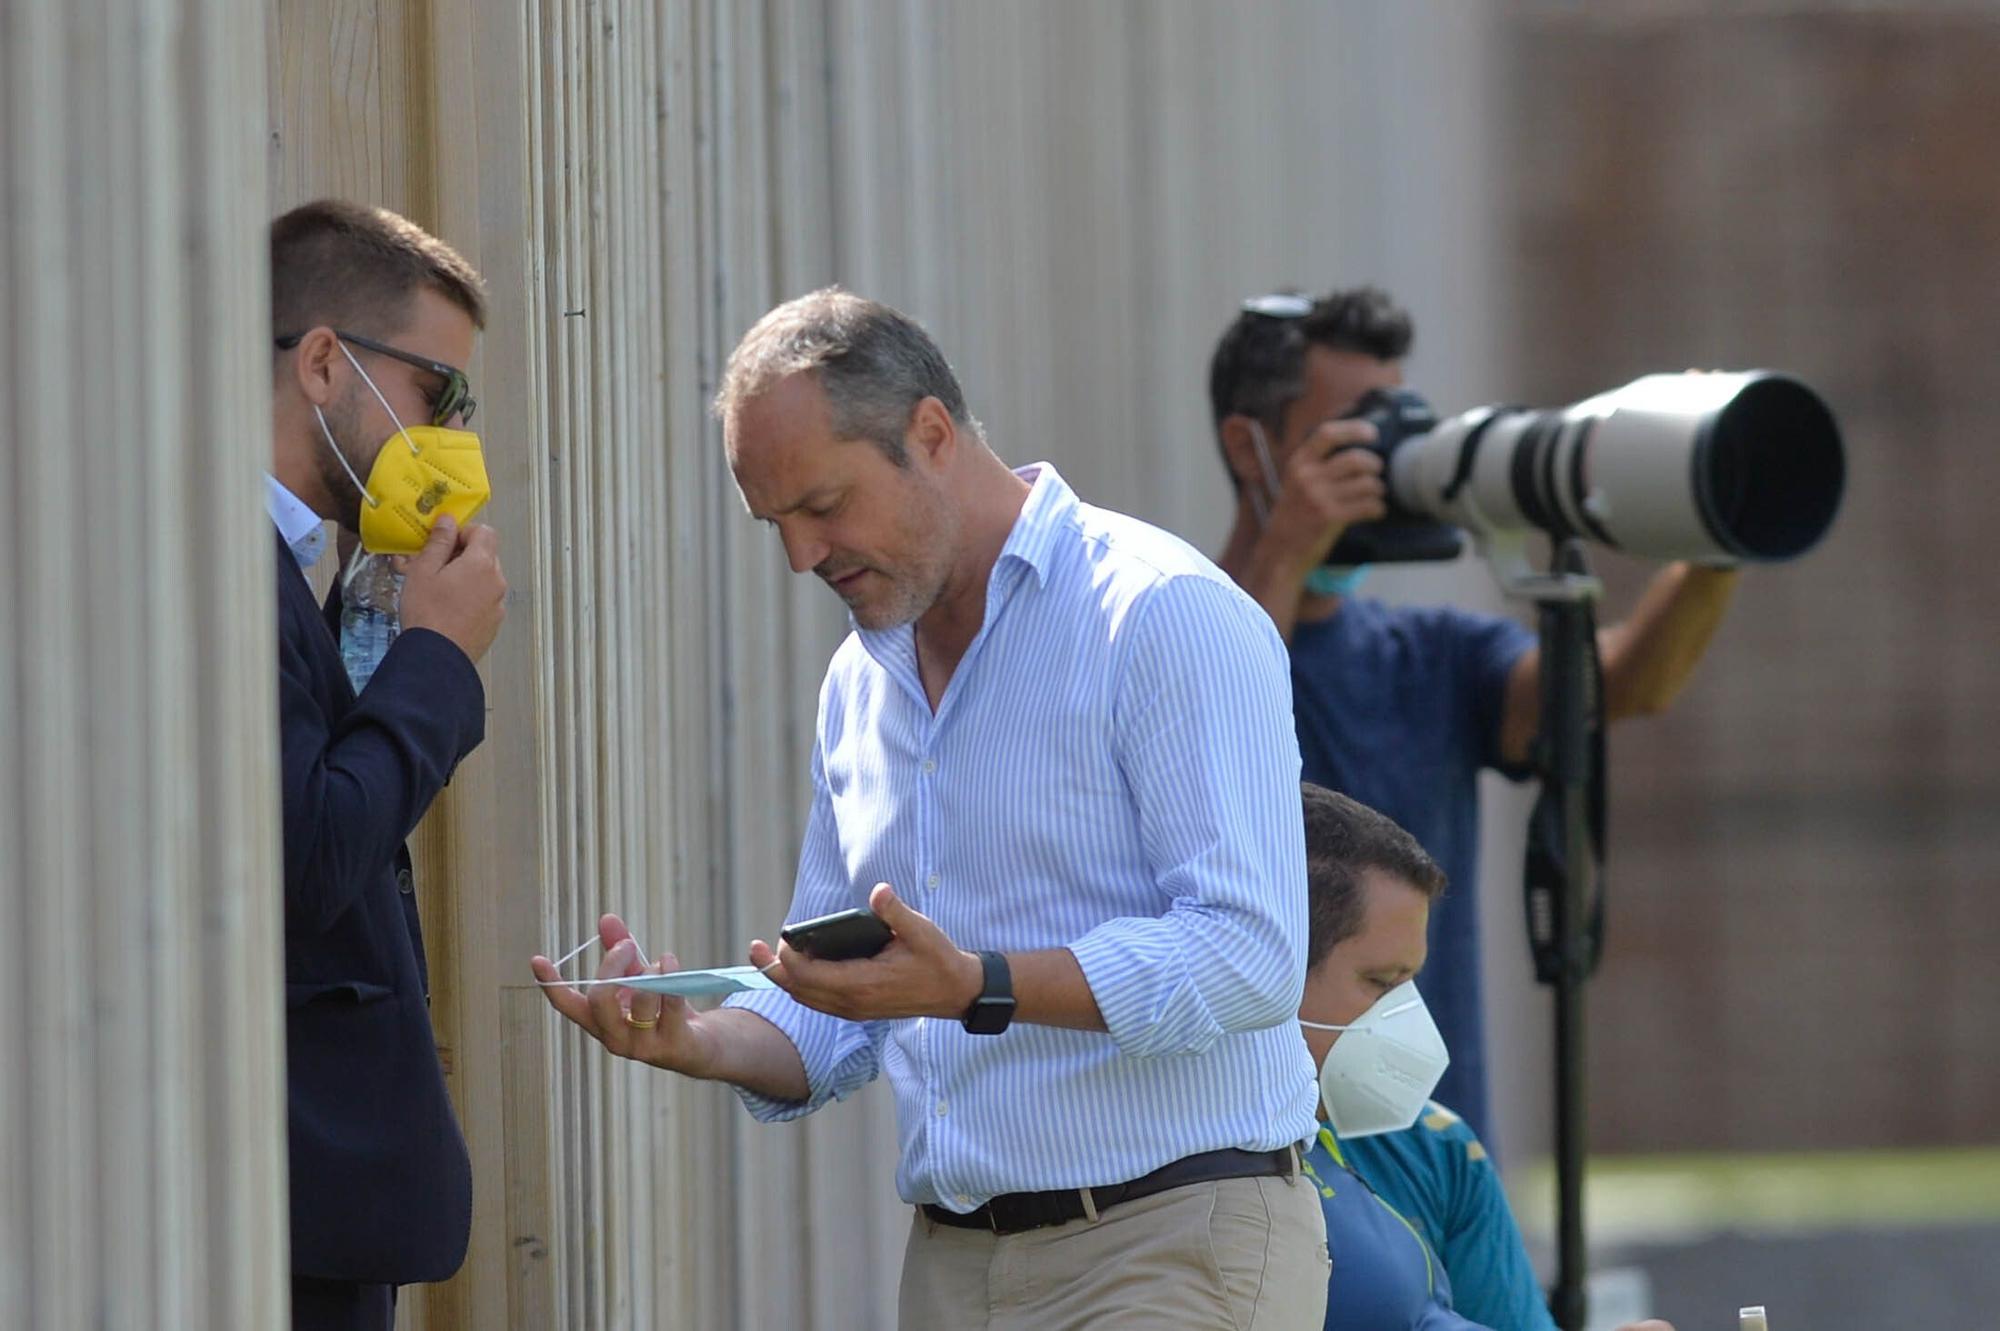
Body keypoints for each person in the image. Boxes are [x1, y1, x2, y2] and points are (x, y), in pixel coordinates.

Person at [534, 287, 1329, 1328]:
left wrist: (976, 984)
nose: (799, 557)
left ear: (932, 432)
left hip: (1170, 1245)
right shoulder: (857, 684)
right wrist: (697, 1037)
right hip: (951, 1271)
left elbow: (1249, 954)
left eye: (821, 505)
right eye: (773, 522)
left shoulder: (1160, 613)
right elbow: (838, 1005)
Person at [1210, 287, 1740, 1146]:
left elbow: (1627, 685)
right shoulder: (1169, 629)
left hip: (1435, 1145)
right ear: (1251, 445)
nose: (1390, 454)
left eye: (1403, 419)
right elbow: (1217, 711)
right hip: (1255, 1152)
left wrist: (1713, 532)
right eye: (1358, 427)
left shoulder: (1431, 654)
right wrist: (1286, 549)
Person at [268, 200, 509, 1331]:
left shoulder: (298, 564)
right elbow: (309, 853)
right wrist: (436, 659)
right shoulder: (224, 562)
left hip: (312, 1211)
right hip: (274, 1217)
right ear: (324, 363)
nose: (455, 433)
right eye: (436, 392)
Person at [1294, 783, 1673, 1331]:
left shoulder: (1436, 1150)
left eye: (1410, 985)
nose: (1405, 1021)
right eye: (1380, 983)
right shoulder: (1186, 1155)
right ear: (1271, 967)